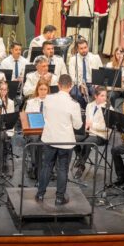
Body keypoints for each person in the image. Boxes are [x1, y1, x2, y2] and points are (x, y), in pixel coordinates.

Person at [36, 74, 82, 205]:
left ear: (58, 85)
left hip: (49, 138)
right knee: (62, 169)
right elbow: (77, 125)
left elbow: (44, 116)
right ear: (71, 86)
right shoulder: (74, 104)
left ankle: (40, 194)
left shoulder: (48, 99)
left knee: (47, 166)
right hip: (65, 141)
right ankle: (59, 197)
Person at [73, 87, 109, 178]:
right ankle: (81, 158)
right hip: (89, 131)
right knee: (72, 138)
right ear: (96, 96)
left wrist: (92, 125)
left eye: (105, 95)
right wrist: (85, 126)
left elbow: (106, 128)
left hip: (100, 134)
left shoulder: (108, 108)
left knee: (87, 142)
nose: (105, 98)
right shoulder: (89, 105)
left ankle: (81, 166)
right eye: (102, 95)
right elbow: (87, 120)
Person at [67, 38, 102, 107]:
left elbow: (101, 72)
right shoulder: (73, 59)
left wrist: (97, 83)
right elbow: (72, 76)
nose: (84, 50)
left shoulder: (96, 57)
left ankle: (93, 109)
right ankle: (86, 107)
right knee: (75, 94)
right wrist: (80, 85)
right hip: (78, 83)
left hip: (92, 83)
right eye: (81, 48)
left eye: (85, 47)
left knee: (96, 93)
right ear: (77, 49)